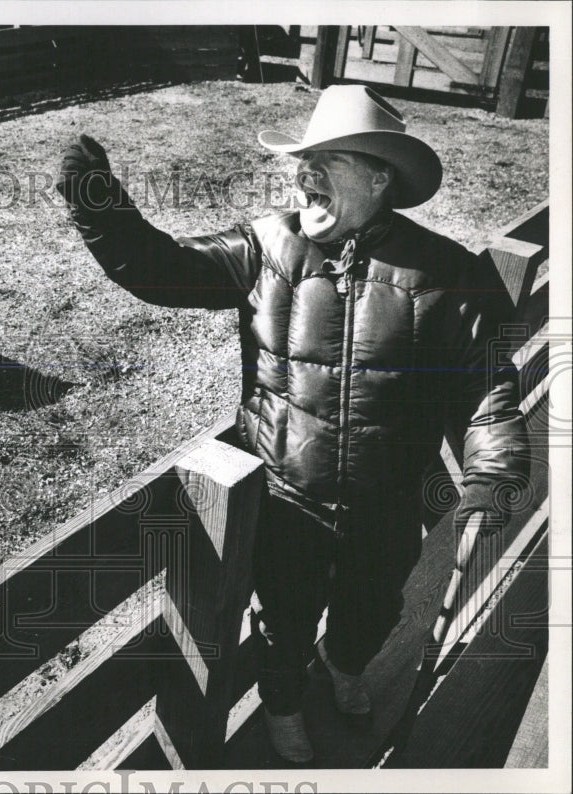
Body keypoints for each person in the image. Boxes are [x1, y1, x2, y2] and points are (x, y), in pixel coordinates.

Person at [56, 84, 529, 763]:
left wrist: (495, 470)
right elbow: (162, 271)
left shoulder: (446, 275)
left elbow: (485, 387)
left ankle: (344, 664)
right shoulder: (266, 247)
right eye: (301, 161)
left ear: (378, 177)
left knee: (371, 613)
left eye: (326, 160)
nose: (303, 174)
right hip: (286, 500)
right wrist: (99, 206)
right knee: (282, 622)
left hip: (388, 506)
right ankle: (281, 707)